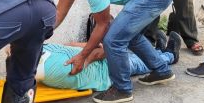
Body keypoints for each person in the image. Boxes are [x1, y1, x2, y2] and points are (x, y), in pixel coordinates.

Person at [38, 0, 175, 103]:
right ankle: (161, 70)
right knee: (129, 36)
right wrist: (38, 36)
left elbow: (103, 24)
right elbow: (58, 14)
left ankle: (122, 89)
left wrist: (82, 56)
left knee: (113, 39)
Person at [37, 31, 182, 94]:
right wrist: (102, 46)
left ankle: (158, 52)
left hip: (100, 62)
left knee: (131, 55)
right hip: (105, 73)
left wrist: (93, 46)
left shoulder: (40, 52)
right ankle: (169, 56)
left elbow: (69, 45)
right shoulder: (51, 66)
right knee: (136, 61)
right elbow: (97, 55)